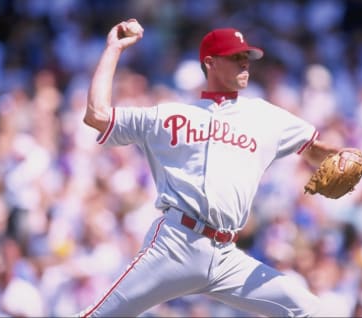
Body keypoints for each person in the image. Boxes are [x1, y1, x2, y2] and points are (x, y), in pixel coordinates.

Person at [79, 18, 344, 318]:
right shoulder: (169, 115)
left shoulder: (266, 116)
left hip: (227, 255)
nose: (245, 63)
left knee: (311, 311)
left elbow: (315, 150)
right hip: (176, 243)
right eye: (236, 57)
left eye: (247, 57)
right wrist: (114, 49)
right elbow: (97, 115)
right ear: (210, 63)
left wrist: (341, 155)